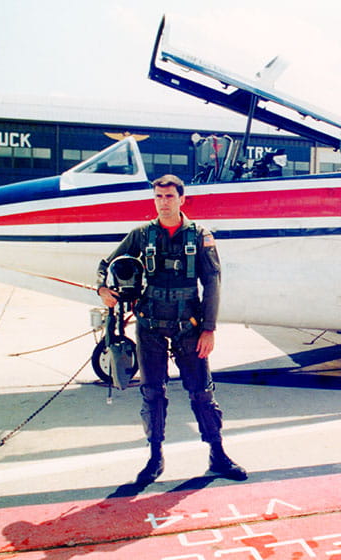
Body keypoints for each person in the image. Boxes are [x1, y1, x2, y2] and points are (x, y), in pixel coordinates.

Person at [96, 174, 246, 485]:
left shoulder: (199, 236)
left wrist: (209, 329)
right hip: (150, 325)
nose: (163, 202)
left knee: (202, 392)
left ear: (181, 199)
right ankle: (154, 457)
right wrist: (102, 288)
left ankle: (217, 454)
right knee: (152, 393)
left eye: (169, 196)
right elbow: (106, 264)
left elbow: (213, 284)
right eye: (158, 197)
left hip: (188, 326)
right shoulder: (141, 235)